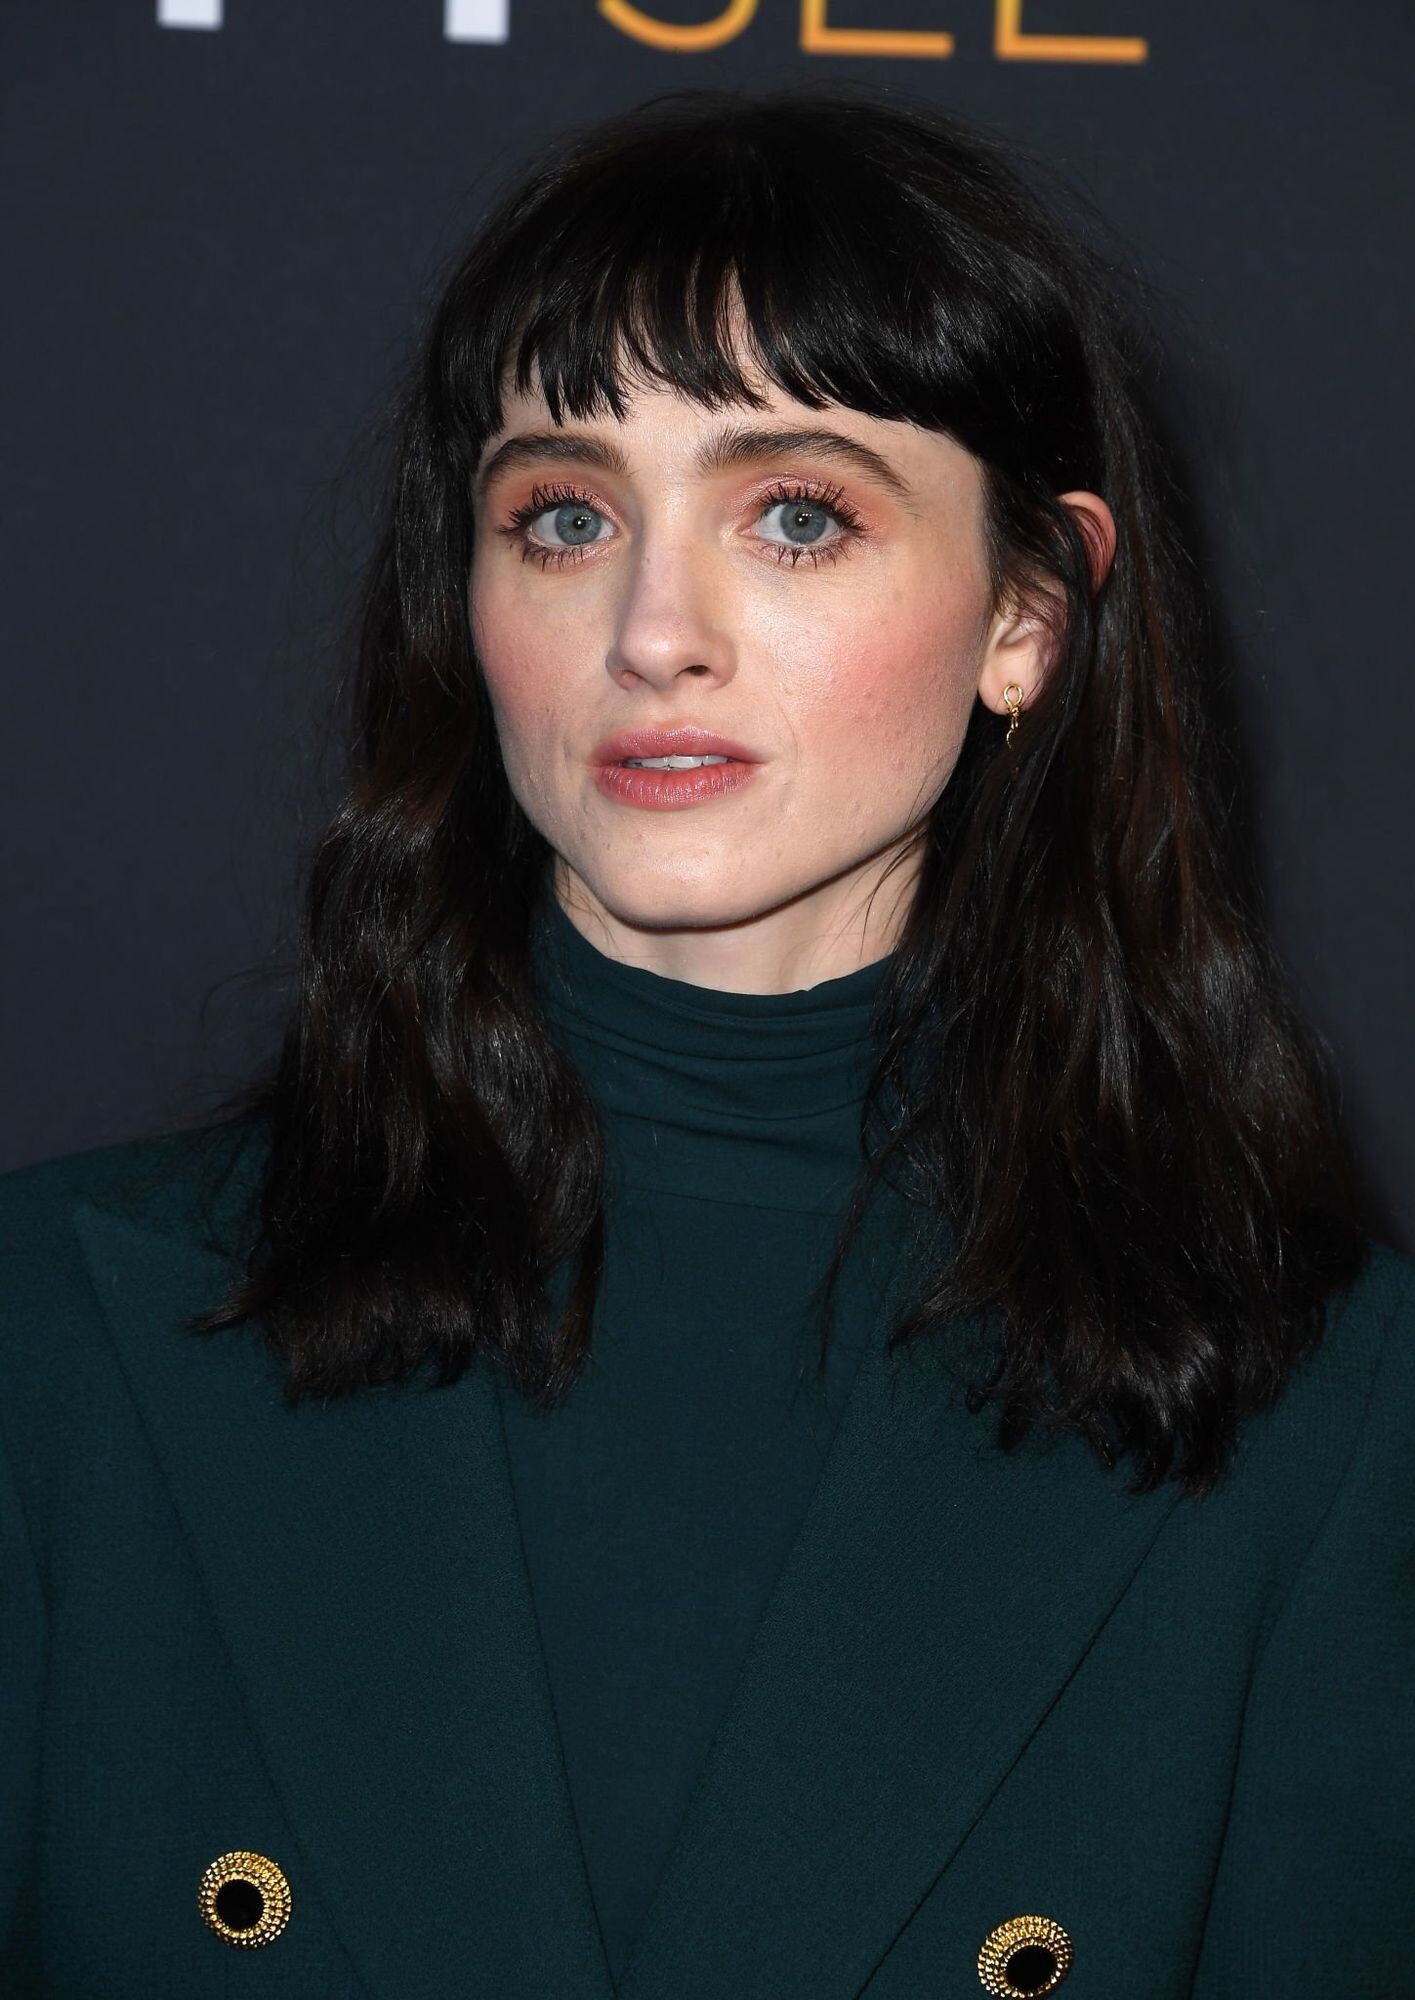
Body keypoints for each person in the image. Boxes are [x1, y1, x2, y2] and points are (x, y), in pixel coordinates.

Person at [2, 83, 1411, 2000]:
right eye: (565, 516)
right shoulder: (57, 1343)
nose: (654, 630)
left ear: (1028, 613)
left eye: (798, 516)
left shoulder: (1332, 1424)